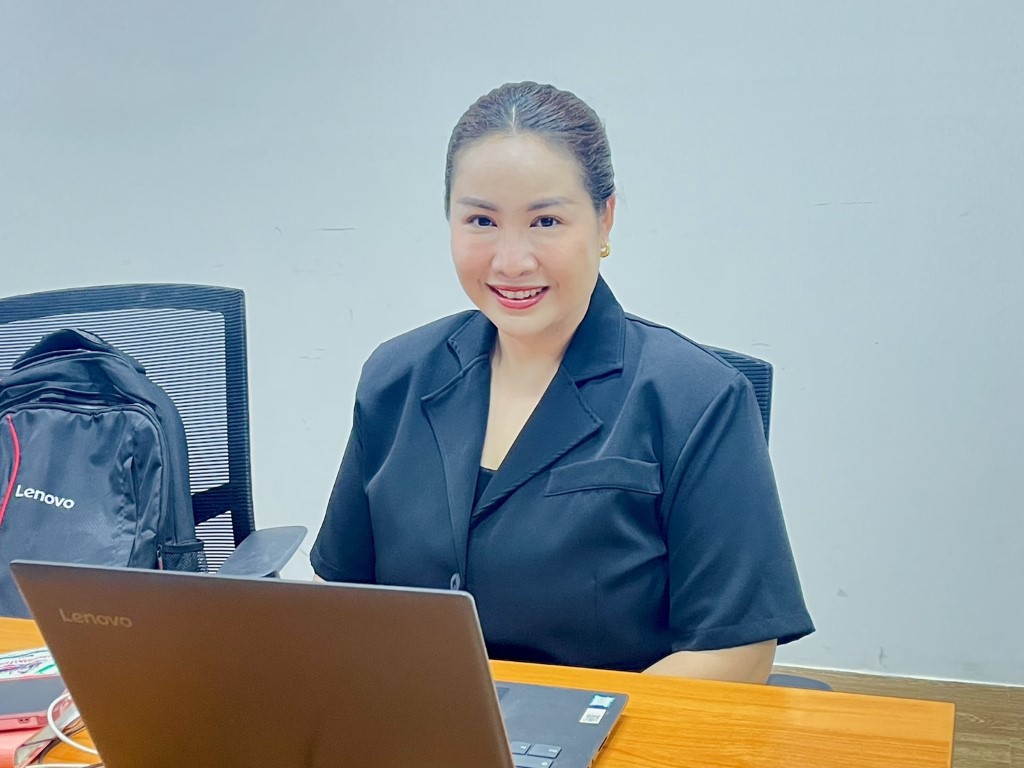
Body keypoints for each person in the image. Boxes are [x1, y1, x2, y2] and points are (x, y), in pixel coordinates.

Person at [311, 81, 813, 682]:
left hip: (607, 727)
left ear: (604, 220)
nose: (511, 261)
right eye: (481, 220)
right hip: (420, 719)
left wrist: (580, 724)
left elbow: (738, 651)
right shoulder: (396, 378)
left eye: (545, 220)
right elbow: (343, 595)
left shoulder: (697, 399)